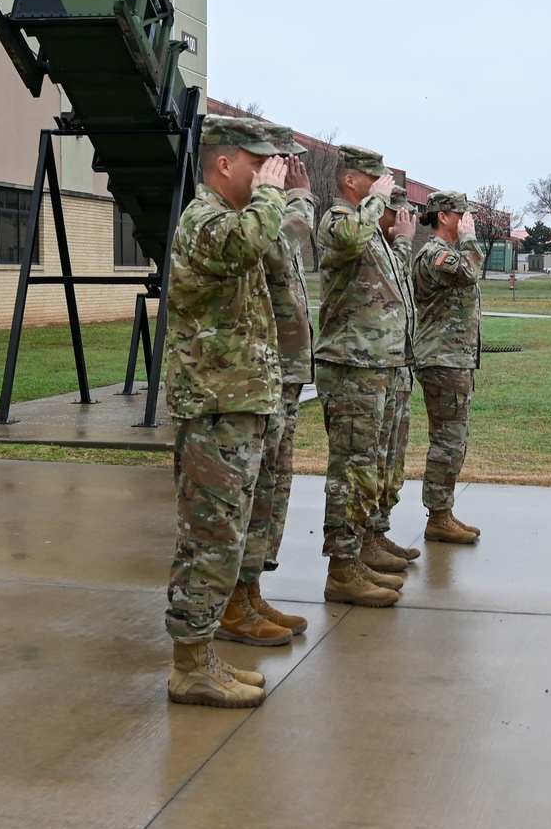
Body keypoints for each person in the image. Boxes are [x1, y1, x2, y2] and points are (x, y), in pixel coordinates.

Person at [164, 115, 288, 706]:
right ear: (224, 164)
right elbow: (248, 243)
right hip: (215, 411)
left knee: (225, 538)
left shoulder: (227, 220)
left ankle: (203, 651)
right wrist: (270, 194)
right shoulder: (206, 221)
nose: (266, 174)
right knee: (209, 539)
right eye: (256, 164)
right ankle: (188, 665)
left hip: (235, 406)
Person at [216, 124, 314, 646]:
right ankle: (235, 602)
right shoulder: (241, 219)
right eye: (272, 162)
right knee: (251, 493)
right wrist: (292, 195)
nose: (281, 170)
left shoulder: (261, 214)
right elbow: (280, 245)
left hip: (279, 371)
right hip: (251, 379)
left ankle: (249, 592)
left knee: (271, 490)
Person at [314, 145, 410, 606]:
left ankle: (362, 550)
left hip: (375, 366)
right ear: (352, 180)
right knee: (351, 470)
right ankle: (342, 569)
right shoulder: (338, 221)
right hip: (351, 367)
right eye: (377, 181)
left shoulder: (371, 229)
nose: (385, 191)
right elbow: (349, 239)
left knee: (369, 467)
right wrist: (376, 204)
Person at [411, 190, 483, 545]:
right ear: (443, 216)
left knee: (455, 441)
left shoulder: (448, 253)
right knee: (446, 442)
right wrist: (469, 238)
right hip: (441, 360)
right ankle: (438, 516)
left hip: (452, 359)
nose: (466, 220)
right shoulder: (435, 254)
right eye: (461, 215)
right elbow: (469, 272)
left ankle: (443, 512)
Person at [364, 185, 421, 562]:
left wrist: (400, 241)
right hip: (372, 368)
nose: (402, 219)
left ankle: (378, 532)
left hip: (398, 368)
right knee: (371, 460)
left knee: (392, 459)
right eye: (394, 211)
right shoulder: (355, 234)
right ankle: (362, 543)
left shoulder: (386, 246)